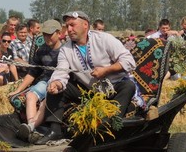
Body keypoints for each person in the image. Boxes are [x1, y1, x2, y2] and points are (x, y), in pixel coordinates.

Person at [42, 11, 137, 144]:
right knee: (56, 87)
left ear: (85, 25)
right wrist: (57, 83)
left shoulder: (104, 39)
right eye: (67, 26)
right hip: (89, 91)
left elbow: (129, 61)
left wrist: (106, 70)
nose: (69, 29)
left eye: (72, 25)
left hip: (113, 88)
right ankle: (55, 130)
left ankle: (110, 124)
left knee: (128, 86)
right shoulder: (65, 49)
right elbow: (61, 71)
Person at [9, 19, 64, 141]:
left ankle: (31, 127)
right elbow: (33, 72)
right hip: (45, 81)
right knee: (30, 95)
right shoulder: (42, 50)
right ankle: (30, 129)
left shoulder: (65, 50)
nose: (46, 37)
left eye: (50, 34)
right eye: (44, 34)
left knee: (47, 99)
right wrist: (17, 90)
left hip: (61, 82)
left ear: (59, 33)